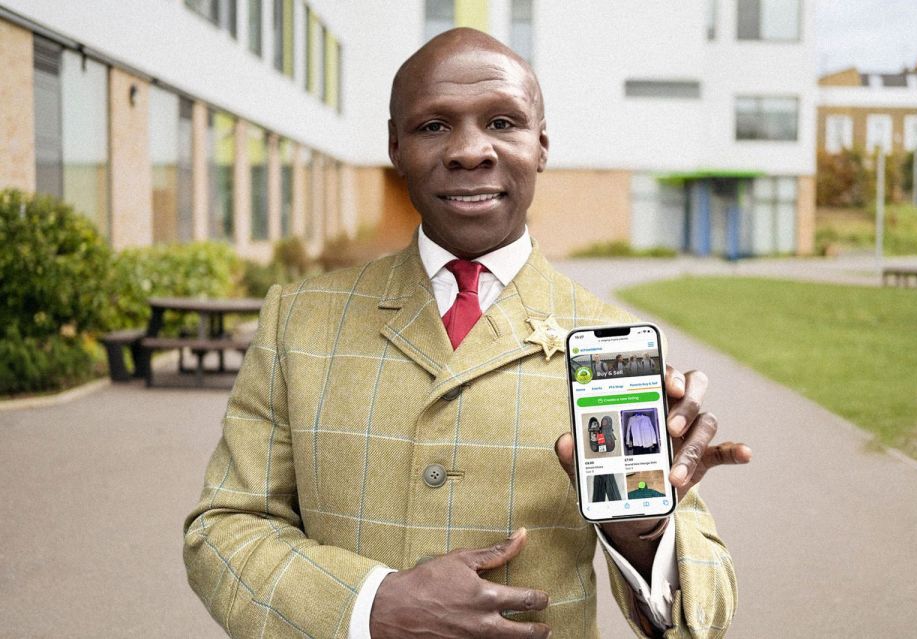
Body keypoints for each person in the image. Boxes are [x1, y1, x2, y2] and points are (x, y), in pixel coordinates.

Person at [183, 27, 751, 639]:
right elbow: (226, 527)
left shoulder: (609, 344)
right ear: (395, 146)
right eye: (434, 126)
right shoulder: (298, 319)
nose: (470, 151)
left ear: (541, 146)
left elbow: (705, 619)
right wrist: (370, 607)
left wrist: (644, 535)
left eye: (503, 123)